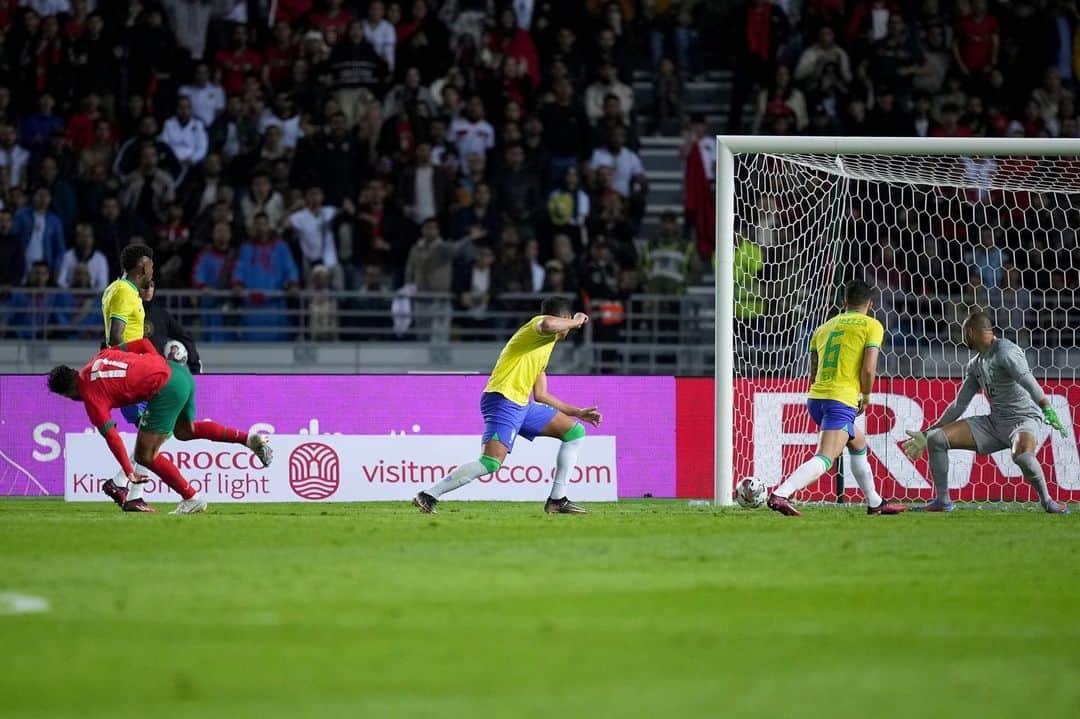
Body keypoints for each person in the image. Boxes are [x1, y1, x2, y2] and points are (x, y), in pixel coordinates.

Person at [412, 296, 602, 515]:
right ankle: (428, 495)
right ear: (565, 319)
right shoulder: (537, 326)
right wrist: (577, 321)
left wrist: (577, 412)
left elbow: (541, 395)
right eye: (569, 322)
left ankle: (557, 500)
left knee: (574, 432)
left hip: (522, 405)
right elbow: (548, 324)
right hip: (503, 399)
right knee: (491, 463)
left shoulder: (544, 349)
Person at [46, 339, 272, 514]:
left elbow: (112, 437)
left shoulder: (90, 396)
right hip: (179, 373)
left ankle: (191, 498)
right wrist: (159, 365)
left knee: (145, 455)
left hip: (165, 388)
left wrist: (129, 471)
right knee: (186, 431)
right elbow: (143, 342)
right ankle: (248, 439)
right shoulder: (100, 356)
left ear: (66, 393)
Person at [901, 310, 1069, 514]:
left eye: (963, 333)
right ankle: (942, 501)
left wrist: (1047, 409)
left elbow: (1028, 381)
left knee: (1023, 456)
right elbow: (959, 404)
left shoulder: (1006, 351)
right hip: (994, 424)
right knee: (937, 439)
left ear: (970, 332)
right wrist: (928, 432)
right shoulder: (976, 364)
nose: (963, 338)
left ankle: (1047, 501)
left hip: (1022, 420)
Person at [767, 281, 906, 517]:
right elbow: (869, 369)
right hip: (840, 399)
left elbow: (813, 369)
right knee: (825, 458)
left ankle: (875, 502)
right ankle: (781, 494)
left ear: (844, 303)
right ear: (870, 304)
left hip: (816, 398)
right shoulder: (872, 325)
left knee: (858, 442)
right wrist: (866, 394)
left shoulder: (824, 327)